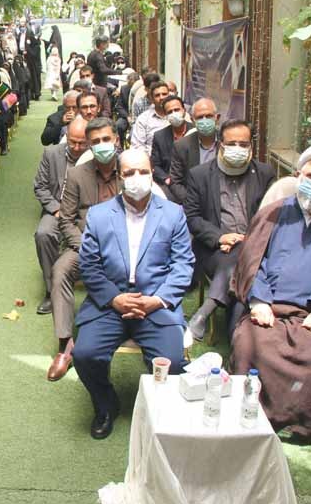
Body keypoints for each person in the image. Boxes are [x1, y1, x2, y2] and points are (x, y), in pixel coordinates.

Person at [231, 143, 311, 442]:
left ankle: (303, 424)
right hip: (269, 308)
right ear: (298, 174)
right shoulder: (272, 214)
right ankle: (251, 415)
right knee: (250, 344)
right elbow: (252, 261)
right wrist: (259, 300)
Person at [72, 149, 193, 439]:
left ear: (152, 174)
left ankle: (159, 409)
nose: (137, 178)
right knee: (85, 355)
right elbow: (89, 266)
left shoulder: (173, 214)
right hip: (109, 303)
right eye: (129, 173)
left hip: (154, 302)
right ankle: (106, 405)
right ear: (119, 176)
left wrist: (156, 300)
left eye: (143, 171)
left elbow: (183, 264)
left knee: (172, 362)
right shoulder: (99, 216)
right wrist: (115, 299)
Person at [183, 119, 275, 340]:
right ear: (220, 144)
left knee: (242, 257)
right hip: (214, 250)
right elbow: (192, 218)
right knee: (239, 261)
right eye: (232, 143)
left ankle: (205, 312)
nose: (238, 148)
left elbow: (272, 216)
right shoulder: (199, 175)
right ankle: (236, 335)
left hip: (255, 247)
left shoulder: (265, 173)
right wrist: (220, 237)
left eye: (243, 144)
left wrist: (248, 240)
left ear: (251, 145)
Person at [47, 118, 121, 382]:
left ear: (116, 140)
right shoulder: (77, 175)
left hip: (124, 249)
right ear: (89, 145)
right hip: (85, 246)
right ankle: (65, 345)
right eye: (96, 141)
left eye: (106, 139)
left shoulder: (129, 172)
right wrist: (86, 247)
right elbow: (66, 220)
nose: (102, 145)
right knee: (60, 270)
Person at [34, 119, 88, 316]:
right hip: (58, 208)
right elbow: (40, 187)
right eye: (73, 142)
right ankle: (52, 291)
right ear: (67, 137)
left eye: (82, 143)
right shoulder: (51, 153)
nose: (77, 147)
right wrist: (57, 209)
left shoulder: (94, 156)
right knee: (43, 234)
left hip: (85, 211)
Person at [168, 98, 219, 204]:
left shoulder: (226, 142)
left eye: (209, 116)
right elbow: (175, 182)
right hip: (192, 202)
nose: (205, 120)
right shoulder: (182, 146)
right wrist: (191, 202)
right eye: (200, 117)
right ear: (192, 120)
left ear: (217, 118)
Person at [150, 95, 191, 200]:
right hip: (169, 185)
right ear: (165, 115)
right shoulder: (159, 136)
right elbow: (155, 165)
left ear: (184, 110)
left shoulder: (195, 131)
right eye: (170, 112)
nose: (174, 113)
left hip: (193, 184)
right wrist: (167, 180)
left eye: (176, 110)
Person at [130, 80, 171, 155]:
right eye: (157, 95)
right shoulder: (143, 119)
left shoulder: (177, 114)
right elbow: (137, 146)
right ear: (151, 99)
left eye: (164, 94)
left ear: (169, 95)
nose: (161, 97)